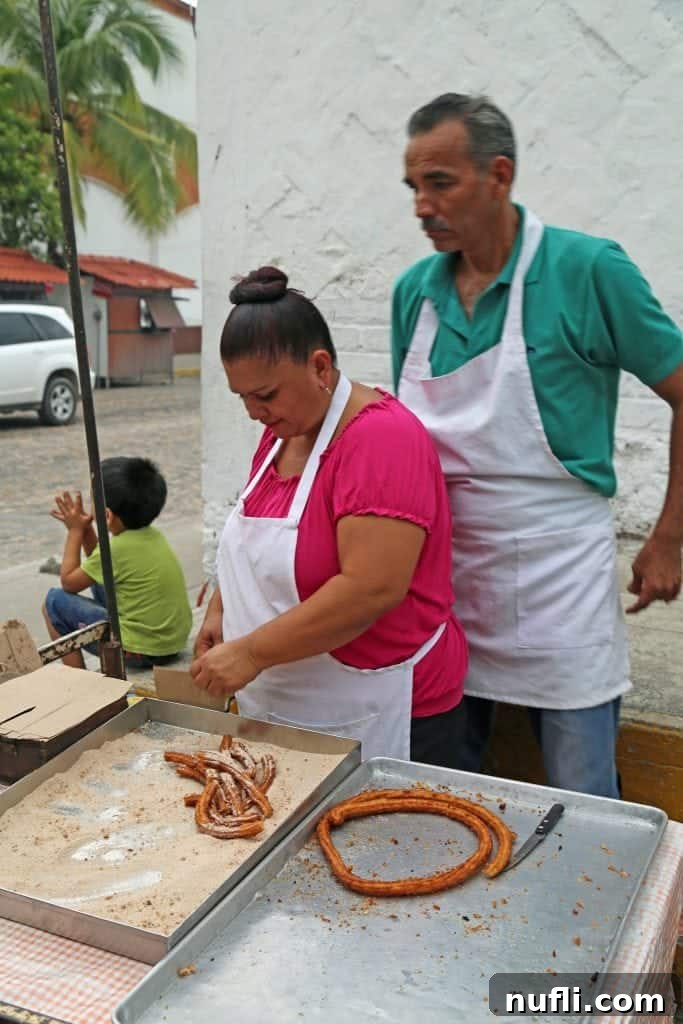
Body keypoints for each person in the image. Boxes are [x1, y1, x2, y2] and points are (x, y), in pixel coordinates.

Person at [392, 92, 683, 798]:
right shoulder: (415, 294)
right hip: (445, 582)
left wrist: (669, 536)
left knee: (582, 791)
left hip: (560, 581)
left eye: (440, 183)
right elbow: (397, 445)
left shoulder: (586, 270)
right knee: (446, 785)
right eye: (412, 188)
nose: (421, 206)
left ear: (498, 175)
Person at [190, 266, 468, 764]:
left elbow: (371, 588)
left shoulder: (382, 439)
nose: (254, 412)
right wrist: (221, 611)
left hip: (384, 708)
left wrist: (252, 652)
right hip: (291, 704)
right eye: (243, 398)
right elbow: (250, 544)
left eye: (266, 394)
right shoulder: (283, 432)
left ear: (320, 368)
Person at [43, 456, 192, 670]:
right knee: (99, 576)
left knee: (53, 602)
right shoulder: (152, 536)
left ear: (106, 515)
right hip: (170, 644)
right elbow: (98, 561)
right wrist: (86, 529)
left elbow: (69, 583)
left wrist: (75, 530)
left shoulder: (117, 549)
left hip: (140, 651)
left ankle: (77, 679)